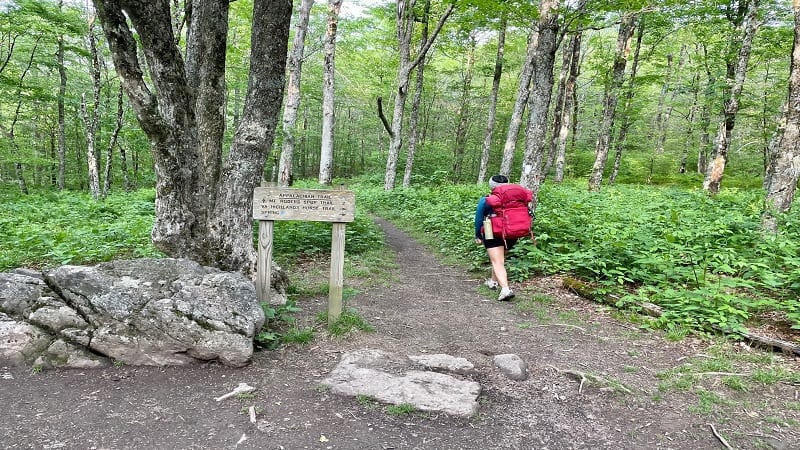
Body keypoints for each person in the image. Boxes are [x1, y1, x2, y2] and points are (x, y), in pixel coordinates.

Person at [474, 174, 517, 301]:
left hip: (492, 232)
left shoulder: (487, 200)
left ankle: (505, 289)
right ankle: (493, 282)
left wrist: (478, 235)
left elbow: (478, 219)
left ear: (491, 186)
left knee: (497, 261)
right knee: (499, 259)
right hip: (511, 233)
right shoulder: (515, 200)